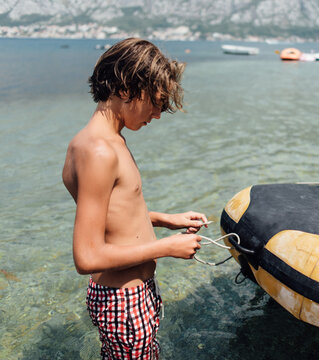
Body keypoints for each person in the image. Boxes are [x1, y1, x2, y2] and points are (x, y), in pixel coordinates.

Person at [62, 38, 207, 359]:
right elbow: (86, 258)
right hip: (122, 300)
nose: (157, 114)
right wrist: (167, 248)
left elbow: (112, 215)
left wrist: (164, 219)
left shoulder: (106, 141)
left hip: (131, 294)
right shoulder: (98, 151)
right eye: (156, 102)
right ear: (128, 86)